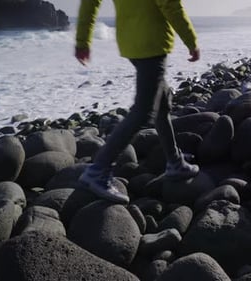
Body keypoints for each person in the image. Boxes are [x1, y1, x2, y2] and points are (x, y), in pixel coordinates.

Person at [75, 0, 200, 204]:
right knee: (143, 111)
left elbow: (90, 3)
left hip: (130, 42)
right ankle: (98, 170)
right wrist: (191, 40)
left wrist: (82, 41)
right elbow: (170, 4)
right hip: (152, 43)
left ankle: (175, 162)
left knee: (162, 102)